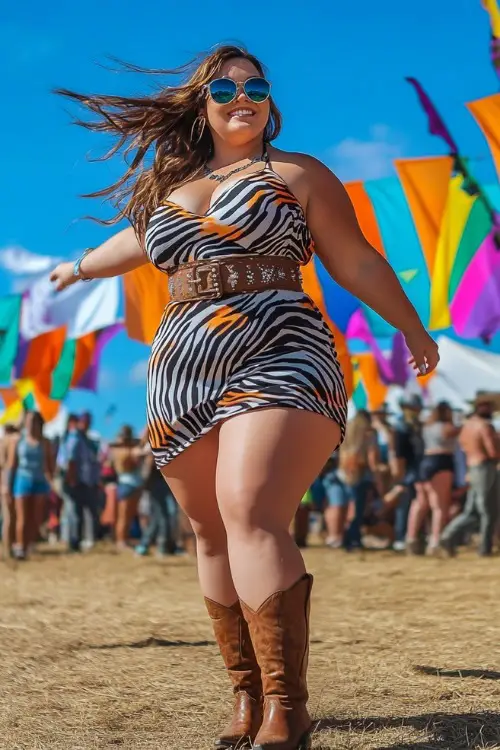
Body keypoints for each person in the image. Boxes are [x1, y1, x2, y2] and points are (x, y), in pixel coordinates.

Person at [49, 45, 439, 750]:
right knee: (210, 529)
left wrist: (410, 323)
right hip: (182, 362)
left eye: (256, 85)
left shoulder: (296, 173)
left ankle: (288, 708)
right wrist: (74, 269)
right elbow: (134, 243)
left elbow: (352, 258)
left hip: (282, 342)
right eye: (225, 87)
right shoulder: (170, 190)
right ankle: (246, 693)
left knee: (251, 507)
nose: (243, 95)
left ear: (269, 101)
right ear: (201, 103)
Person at [440, 395, 499, 556]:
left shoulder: (467, 426)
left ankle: (448, 536)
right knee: (488, 511)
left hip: (472, 468)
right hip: (485, 468)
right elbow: (492, 452)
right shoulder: (485, 426)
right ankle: (484, 548)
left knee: (471, 511)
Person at [406, 401, 459, 555]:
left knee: (420, 503)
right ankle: (435, 542)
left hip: (425, 463)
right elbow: (452, 433)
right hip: (441, 462)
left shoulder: (427, 426)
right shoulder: (446, 427)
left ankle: (411, 538)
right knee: (439, 506)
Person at [3, 412, 53, 560]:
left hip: (39, 481)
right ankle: (20, 546)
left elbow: (49, 465)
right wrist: (7, 485)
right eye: (28, 421)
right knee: (22, 517)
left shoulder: (45, 442)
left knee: (36, 518)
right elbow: (11, 465)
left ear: (39, 424)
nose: (31, 425)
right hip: (22, 480)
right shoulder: (18, 441)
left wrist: (52, 483)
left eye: (34, 422)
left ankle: (29, 544)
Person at [339, 410, 380, 550]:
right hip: (360, 473)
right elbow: (372, 458)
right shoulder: (368, 434)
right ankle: (354, 538)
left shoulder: (347, 432)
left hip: (345, 472)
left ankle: (346, 538)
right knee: (358, 508)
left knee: (348, 507)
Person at [389, 394, 425, 552]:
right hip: (408, 472)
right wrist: (399, 477)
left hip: (418, 470)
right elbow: (399, 455)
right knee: (405, 505)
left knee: (415, 505)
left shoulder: (416, 427)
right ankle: (400, 537)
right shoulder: (401, 428)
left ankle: (414, 536)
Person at [109, 425, 144, 551]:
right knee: (123, 516)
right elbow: (131, 459)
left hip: (133, 484)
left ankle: (125, 539)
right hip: (126, 484)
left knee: (129, 516)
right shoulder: (120, 451)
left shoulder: (128, 448)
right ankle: (120, 541)